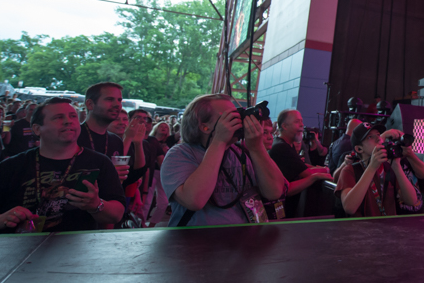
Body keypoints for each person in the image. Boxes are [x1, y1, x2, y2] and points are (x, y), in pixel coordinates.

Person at [0, 98, 125, 234]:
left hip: (76, 255)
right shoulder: (10, 167)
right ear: (37, 129)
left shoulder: (100, 163)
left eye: (73, 116)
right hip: (18, 255)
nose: (68, 121)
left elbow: (117, 214)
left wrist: (96, 205)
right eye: (58, 117)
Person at [160, 95, 288, 227]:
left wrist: (257, 148)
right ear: (204, 126)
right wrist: (219, 141)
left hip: (244, 237)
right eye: (230, 117)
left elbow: (274, 192)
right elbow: (194, 201)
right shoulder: (180, 154)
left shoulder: (239, 152)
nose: (239, 121)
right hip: (196, 238)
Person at [333, 122, 420, 217]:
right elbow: (349, 208)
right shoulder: (350, 170)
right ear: (359, 149)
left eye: (378, 134)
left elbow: (412, 201)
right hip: (361, 225)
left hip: (388, 225)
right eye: (370, 137)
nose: (378, 138)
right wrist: (372, 167)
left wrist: (397, 166)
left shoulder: (388, 168)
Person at [78, 83, 143, 185]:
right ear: (90, 104)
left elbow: (129, 178)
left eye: (119, 100)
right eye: (109, 99)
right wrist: (106, 174)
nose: (117, 104)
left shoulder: (115, 140)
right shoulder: (74, 136)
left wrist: (138, 143)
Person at [270, 109, 332, 208]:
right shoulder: (281, 147)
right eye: (297, 121)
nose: (302, 125)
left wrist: (323, 169)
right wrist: (327, 171)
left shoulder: (286, 144)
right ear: (284, 126)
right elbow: (306, 173)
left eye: (301, 121)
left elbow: (300, 165)